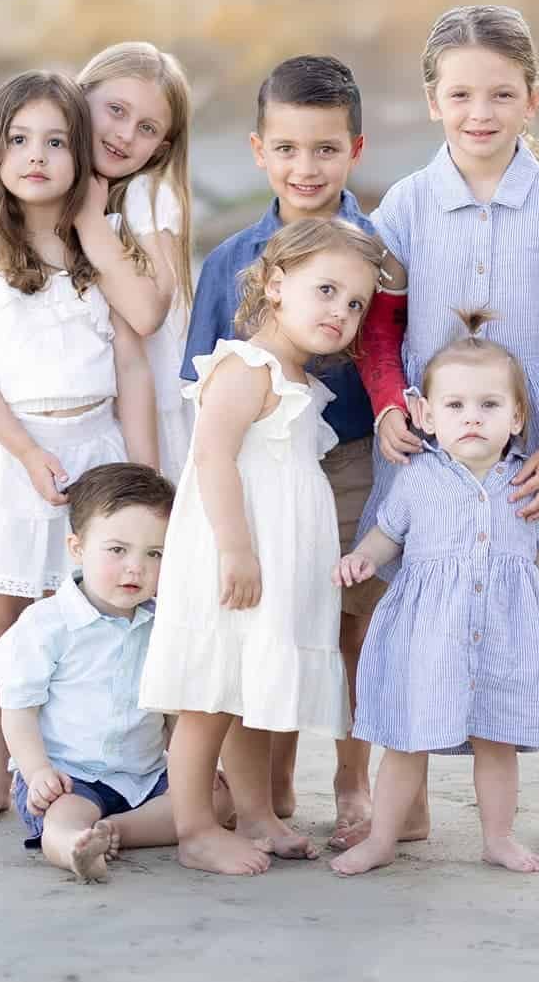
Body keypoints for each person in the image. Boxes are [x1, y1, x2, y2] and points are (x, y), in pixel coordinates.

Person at [359, 4, 539, 860]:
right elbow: (380, 326)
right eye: (461, 93)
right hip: (434, 435)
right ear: (432, 100)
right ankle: (409, 803)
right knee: (421, 612)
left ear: (531, 99)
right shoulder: (405, 203)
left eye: (501, 93)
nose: (481, 111)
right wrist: (394, 404)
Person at [0, 71, 159, 828]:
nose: (36, 155)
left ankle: (73, 769)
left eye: (57, 141)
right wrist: (24, 450)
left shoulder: (101, 244)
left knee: (84, 619)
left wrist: (146, 481)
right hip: (10, 448)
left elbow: (131, 365)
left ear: (82, 158)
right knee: (3, 625)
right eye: (18, 140)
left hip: (95, 446)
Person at [181, 55, 402, 848]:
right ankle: (266, 791)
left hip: (348, 461)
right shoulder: (231, 261)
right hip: (256, 469)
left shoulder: (379, 252)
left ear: (356, 148)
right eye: (286, 148)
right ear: (257, 149)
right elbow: (201, 392)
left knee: (349, 624)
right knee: (266, 624)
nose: (304, 167)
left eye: (324, 149)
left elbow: (401, 357)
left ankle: (352, 781)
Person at [140, 218, 397, 875]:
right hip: (234, 556)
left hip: (273, 564)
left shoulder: (298, 378)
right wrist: (236, 550)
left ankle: (256, 813)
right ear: (277, 284)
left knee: (253, 687)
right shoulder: (245, 364)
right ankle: (195, 825)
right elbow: (213, 456)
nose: (340, 311)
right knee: (208, 695)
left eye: (355, 302)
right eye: (327, 289)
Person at [330, 312, 539, 876]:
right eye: (456, 406)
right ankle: (382, 838)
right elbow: (387, 535)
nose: (472, 418)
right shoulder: (418, 477)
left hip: (506, 637)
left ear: (516, 416)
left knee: (497, 739)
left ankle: (498, 836)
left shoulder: (527, 481)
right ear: (427, 415)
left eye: (489, 406)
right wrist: (361, 559)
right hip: (428, 635)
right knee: (407, 737)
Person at [0, 43, 197, 479]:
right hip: (72, 415)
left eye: (147, 128)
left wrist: (88, 219)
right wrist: (16, 133)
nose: (124, 134)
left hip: (147, 410)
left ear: (161, 147)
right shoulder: (43, 188)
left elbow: (144, 316)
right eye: (115, 110)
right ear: (80, 101)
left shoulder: (146, 193)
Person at [0, 463, 180, 883]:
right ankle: (74, 847)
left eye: (155, 554)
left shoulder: (164, 624)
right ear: (77, 549)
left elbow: (172, 715)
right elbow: (18, 709)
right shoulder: (47, 625)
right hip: (69, 774)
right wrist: (38, 771)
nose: (136, 567)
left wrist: (188, 770)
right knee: (62, 815)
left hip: (145, 775)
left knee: (211, 802)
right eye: (117, 550)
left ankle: (117, 832)